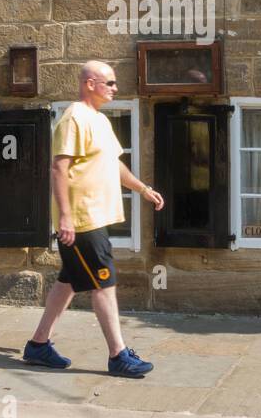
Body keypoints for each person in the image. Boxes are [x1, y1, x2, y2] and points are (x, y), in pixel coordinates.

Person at [24, 61, 164, 377]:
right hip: (82, 220)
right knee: (104, 282)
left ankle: (38, 345)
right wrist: (66, 217)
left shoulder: (99, 121)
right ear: (90, 83)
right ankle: (118, 355)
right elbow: (59, 168)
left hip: (93, 218)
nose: (115, 88)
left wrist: (143, 188)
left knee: (69, 281)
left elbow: (114, 165)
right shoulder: (74, 118)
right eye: (110, 83)